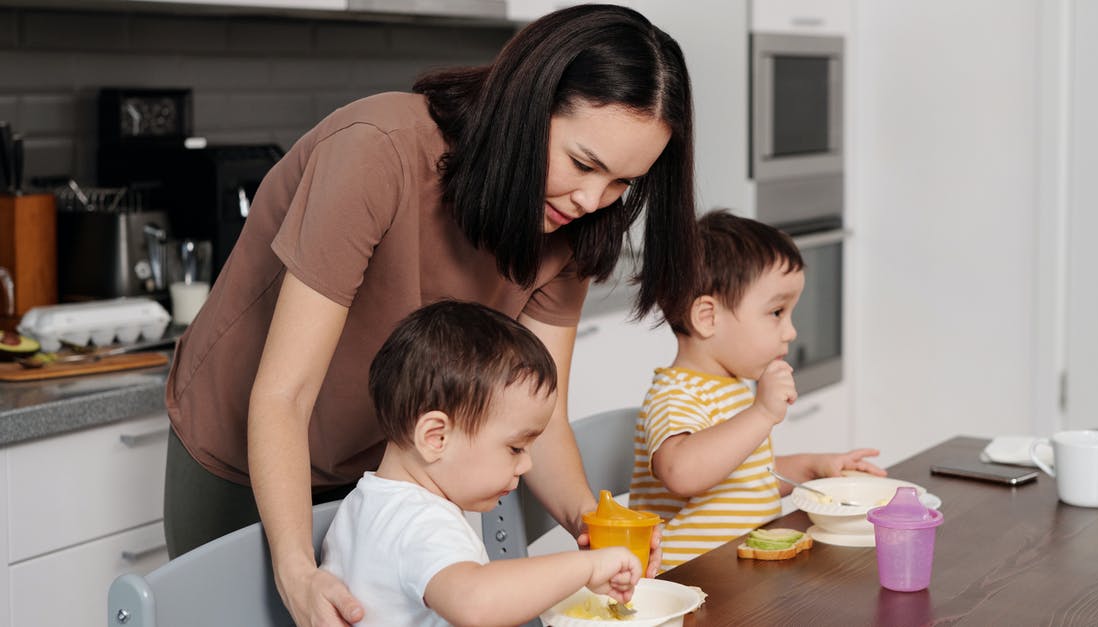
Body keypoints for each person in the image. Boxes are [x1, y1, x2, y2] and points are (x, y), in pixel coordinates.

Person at [161, 4, 698, 626]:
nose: (591, 200)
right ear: (528, 107)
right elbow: (285, 392)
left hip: (386, 462)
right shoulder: (377, 152)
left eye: (621, 185)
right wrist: (295, 567)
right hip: (248, 444)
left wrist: (590, 522)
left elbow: (541, 416)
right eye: (583, 164)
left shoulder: (573, 226)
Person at [319, 300, 642, 627]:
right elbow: (474, 602)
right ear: (436, 438)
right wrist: (588, 567)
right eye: (516, 448)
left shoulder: (363, 504)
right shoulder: (422, 522)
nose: (527, 464)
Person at [628, 210, 885, 570]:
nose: (791, 331)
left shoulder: (732, 386)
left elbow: (745, 478)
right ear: (707, 317)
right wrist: (761, 413)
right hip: (687, 581)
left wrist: (813, 468)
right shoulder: (676, 395)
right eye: (777, 312)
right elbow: (682, 473)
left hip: (739, 579)